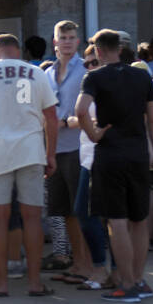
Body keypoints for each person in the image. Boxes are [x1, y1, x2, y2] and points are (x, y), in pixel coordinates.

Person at [0, 34, 58, 298]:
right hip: (30, 150)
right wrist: (50, 154)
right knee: (32, 218)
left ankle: (1, 283)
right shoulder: (36, 73)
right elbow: (51, 117)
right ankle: (34, 282)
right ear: (18, 50)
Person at [77, 29, 153, 302]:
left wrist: (94, 133)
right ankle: (139, 279)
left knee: (117, 221)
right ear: (120, 48)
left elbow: (80, 110)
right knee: (139, 220)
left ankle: (125, 284)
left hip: (110, 154)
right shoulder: (141, 76)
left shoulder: (94, 77)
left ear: (99, 51)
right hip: (138, 153)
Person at [45, 20, 100, 284]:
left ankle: (88, 265)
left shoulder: (86, 70)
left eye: (71, 37)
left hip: (79, 148)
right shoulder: (46, 73)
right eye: (62, 37)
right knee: (63, 209)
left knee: (81, 211)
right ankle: (77, 264)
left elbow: (94, 113)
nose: (67, 41)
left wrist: (66, 122)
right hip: (54, 148)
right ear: (54, 41)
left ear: (78, 42)